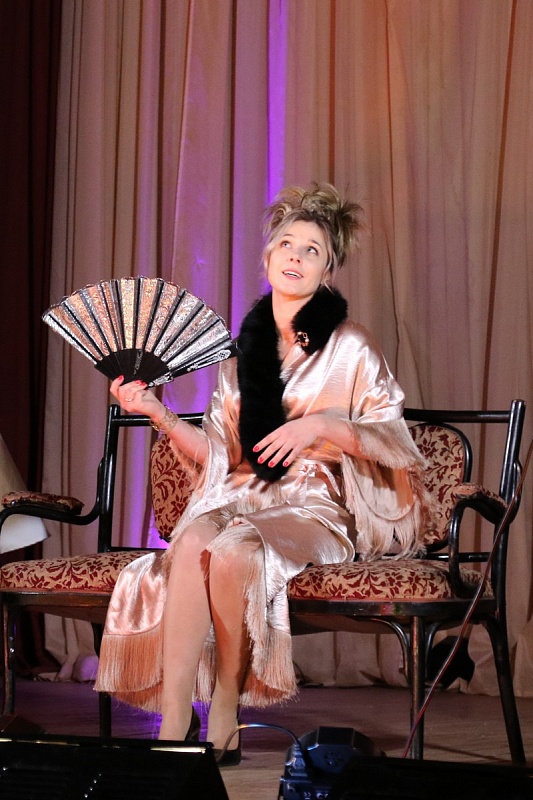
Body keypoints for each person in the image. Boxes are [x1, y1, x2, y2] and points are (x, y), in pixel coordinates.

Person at [95, 182, 434, 765]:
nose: (296, 256)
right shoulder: (240, 354)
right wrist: (157, 411)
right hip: (241, 493)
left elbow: (392, 440)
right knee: (193, 541)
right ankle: (174, 725)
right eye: (286, 244)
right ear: (268, 256)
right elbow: (218, 455)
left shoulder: (350, 346)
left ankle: (225, 709)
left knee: (231, 552)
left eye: (312, 250)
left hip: (313, 504)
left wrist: (320, 426)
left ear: (327, 270)